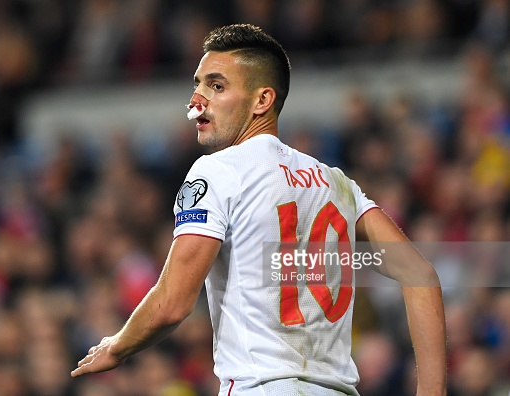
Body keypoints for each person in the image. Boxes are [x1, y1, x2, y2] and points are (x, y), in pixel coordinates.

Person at [71, 24, 446, 395]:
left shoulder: (217, 171)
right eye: (198, 84)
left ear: (262, 100)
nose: (196, 100)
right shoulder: (337, 183)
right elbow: (421, 275)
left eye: (216, 86)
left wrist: (117, 346)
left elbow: (172, 303)